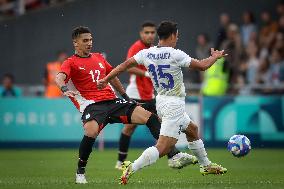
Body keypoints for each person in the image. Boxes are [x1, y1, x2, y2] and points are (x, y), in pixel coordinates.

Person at [55, 26, 197, 184]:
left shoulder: (99, 57)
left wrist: (126, 97)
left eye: (91, 40)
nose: (89, 43)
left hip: (113, 101)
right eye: (85, 40)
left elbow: (112, 77)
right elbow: (60, 77)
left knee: (149, 117)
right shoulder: (70, 62)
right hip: (92, 105)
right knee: (91, 131)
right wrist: (64, 88)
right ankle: (80, 172)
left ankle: (174, 155)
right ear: (75, 43)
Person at [98, 21, 228, 185]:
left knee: (192, 130)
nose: (177, 39)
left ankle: (206, 165)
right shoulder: (175, 54)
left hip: (161, 100)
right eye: (177, 36)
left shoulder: (147, 53)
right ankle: (133, 167)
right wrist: (215, 57)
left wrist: (105, 79)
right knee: (163, 147)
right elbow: (202, 66)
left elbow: (124, 66)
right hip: (174, 103)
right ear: (173, 35)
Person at [116, 21, 190, 170]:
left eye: (152, 32)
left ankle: (173, 156)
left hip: (151, 95)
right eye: (146, 32)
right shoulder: (137, 47)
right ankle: (121, 161)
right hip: (136, 94)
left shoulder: (155, 49)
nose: (149, 35)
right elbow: (128, 67)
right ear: (141, 34)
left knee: (161, 125)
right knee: (130, 128)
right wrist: (146, 73)